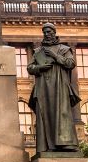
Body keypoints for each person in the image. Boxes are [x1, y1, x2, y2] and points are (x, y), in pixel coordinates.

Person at [27, 23, 81, 153]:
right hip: (43, 87)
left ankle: (65, 144)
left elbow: (70, 63)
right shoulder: (38, 51)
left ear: (54, 32)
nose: (47, 34)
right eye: (44, 32)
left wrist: (55, 56)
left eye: (49, 31)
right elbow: (30, 68)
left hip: (59, 86)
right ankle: (46, 146)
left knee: (62, 113)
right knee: (44, 114)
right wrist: (40, 68)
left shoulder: (64, 49)